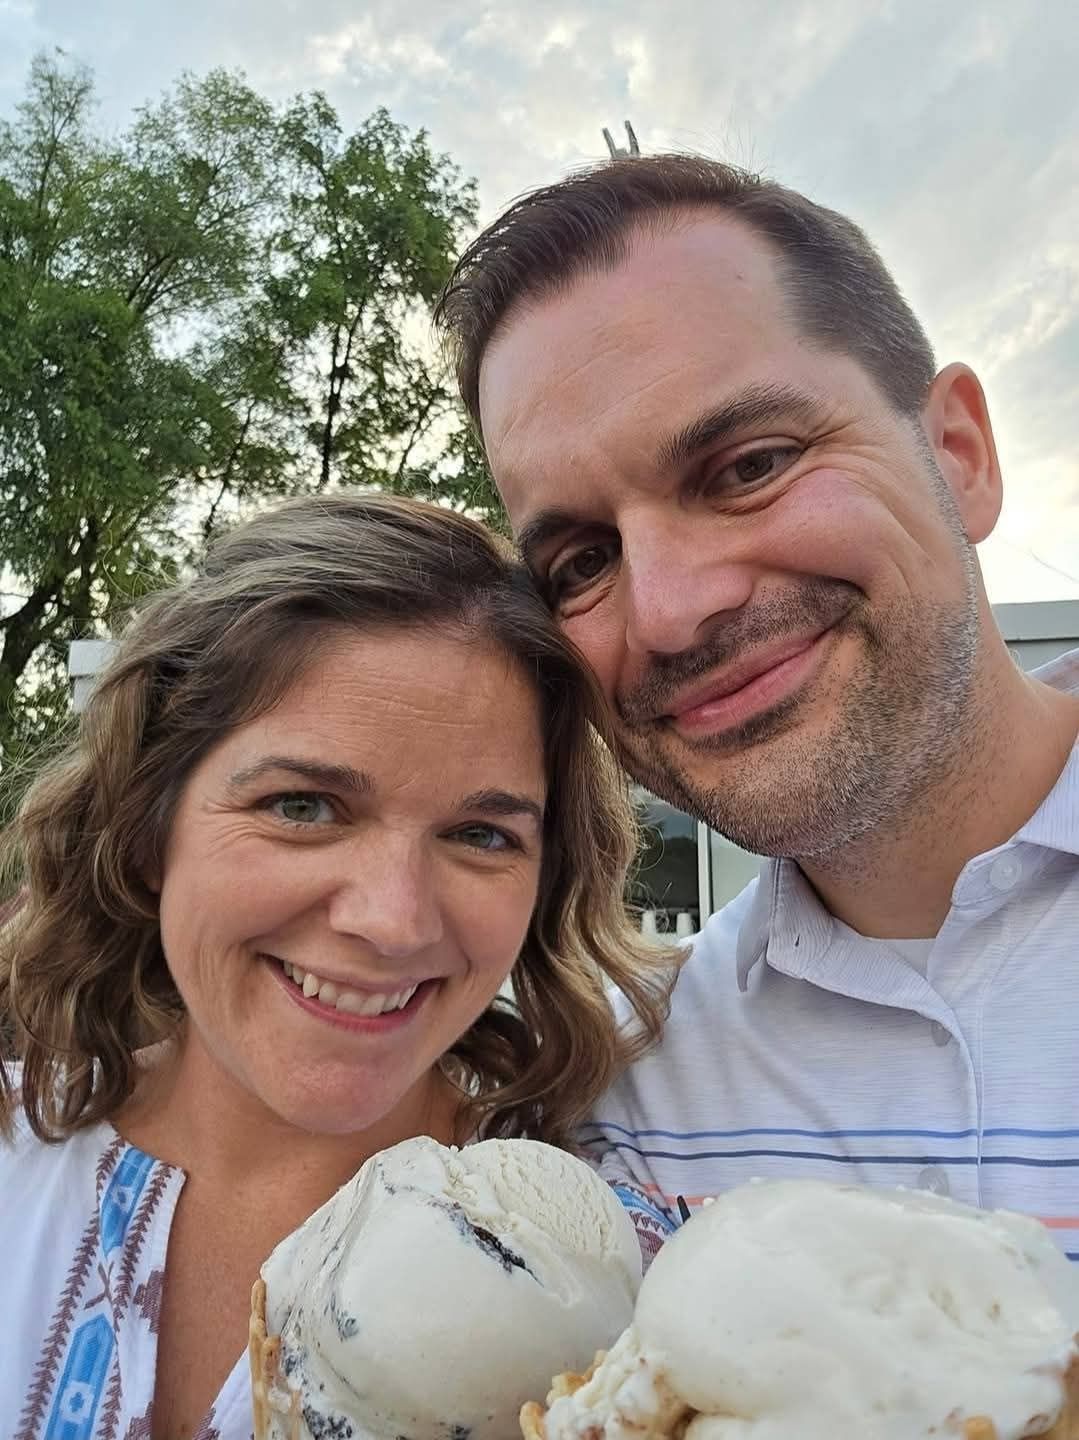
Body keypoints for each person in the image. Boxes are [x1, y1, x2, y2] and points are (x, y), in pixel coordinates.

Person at [435, 154, 1079, 1258]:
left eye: (748, 467)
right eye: (583, 562)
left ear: (957, 456)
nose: (672, 612)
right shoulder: (622, 1113)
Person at [0, 493, 673, 1439]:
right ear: (149, 830)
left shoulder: (628, 1279)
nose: (393, 922)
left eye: (480, 833)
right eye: (302, 806)